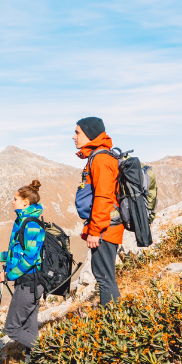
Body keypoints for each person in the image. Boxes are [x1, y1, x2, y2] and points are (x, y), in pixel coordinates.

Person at [0, 180, 46, 350]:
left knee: (12, 328)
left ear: (25, 202)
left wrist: (8, 275)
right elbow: (18, 253)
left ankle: (47, 352)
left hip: (29, 283)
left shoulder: (31, 224)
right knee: (28, 329)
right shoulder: (22, 221)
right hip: (29, 283)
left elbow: (30, 258)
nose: (12, 202)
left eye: (15, 199)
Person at [73, 117, 122, 305]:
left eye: (77, 132)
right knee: (103, 274)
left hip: (105, 228)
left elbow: (103, 197)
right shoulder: (98, 157)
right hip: (106, 227)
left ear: (90, 134)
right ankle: (113, 318)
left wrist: (95, 231)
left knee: (104, 276)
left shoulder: (101, 159)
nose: (74, 136)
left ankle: (112, 322)